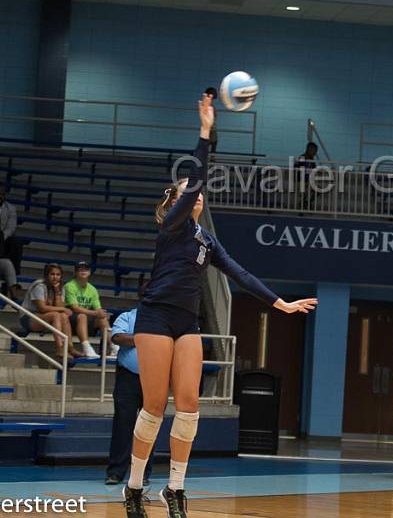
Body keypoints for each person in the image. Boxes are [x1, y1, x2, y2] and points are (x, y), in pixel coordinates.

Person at [123, 94, 317, 518]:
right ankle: (134, 486)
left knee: (189, 406)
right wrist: (206, 133)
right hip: (154, 318)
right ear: (174, 201)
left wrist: (281, 303)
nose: (196, 197)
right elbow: (194, 179)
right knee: (155, 407)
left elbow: (241, 274)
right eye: (187, 194)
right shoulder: (173, 228)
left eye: (198, 196)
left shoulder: (207, 241)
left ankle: (174, 489)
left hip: (185, 323)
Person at [106, 288, 152, 487]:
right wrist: (143, 340)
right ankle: (116, 472)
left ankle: (142, 473)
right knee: (123, 426)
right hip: (127, 379)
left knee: (149, 428)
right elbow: (117, 338)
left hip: (153, 380)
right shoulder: (127, 316)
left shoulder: (163, 322)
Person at [22, 263, 80, 359]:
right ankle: (59, 349)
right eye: (52, 274)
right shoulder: (39, 285)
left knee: (63, 316)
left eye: (58, 275)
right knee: (56, 315)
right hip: (29, 317)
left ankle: (70, 347)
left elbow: (59, 307)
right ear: (46, 275)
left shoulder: (60, 287)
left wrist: (57, 293)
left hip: (46, 317)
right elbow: (42, 308)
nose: (55, 277)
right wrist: (63, 309)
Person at [64, 262, 111, 359]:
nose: (83, 271)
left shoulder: (92, 289)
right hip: (70, 320)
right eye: (80, 269)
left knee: (102, 318)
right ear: (75, 273)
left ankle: (115, 347)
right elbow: (75, 308)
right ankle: (86, 348)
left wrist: (101, 313)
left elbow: (98, 308)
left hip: (85, 321)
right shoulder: (69, 286)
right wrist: (95, 313)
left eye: (85, 269)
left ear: (89, 272)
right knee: (82, 316)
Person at [204, 87, 218, 153]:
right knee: (212, 143)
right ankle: (211, 160)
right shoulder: (208, 104)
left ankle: (211, 159)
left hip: (211, 127)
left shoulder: (210, 104)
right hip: (210, 128)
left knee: (212, 143)